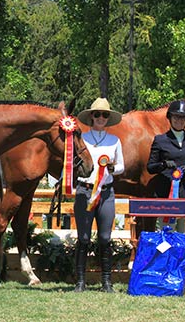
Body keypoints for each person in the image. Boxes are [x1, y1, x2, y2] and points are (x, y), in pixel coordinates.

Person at [74, 97, 124, 293]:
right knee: (83, 238)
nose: (101, 118)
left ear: (108, 118)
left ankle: (106, 282)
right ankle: (80, 282)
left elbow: (122, 166)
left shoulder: (115, 140)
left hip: (106, 192)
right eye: (97, 114)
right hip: (84, 191)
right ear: (91, 117)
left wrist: (112, 168)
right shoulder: (82, 139)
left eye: (105, 115)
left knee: (105, 237)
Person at [146, 100, 185, 234]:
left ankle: (184, 255)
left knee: (184, 231)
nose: (179, 121)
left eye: (182, 118)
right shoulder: (160, 140)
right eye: (176, 117)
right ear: (170, 118)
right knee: (167, 230)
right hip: (166, 192)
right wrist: (163, 165)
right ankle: (166, 255)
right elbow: (150, 167)